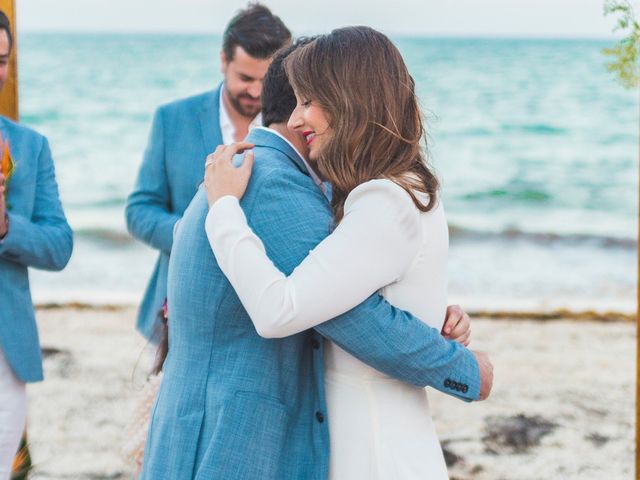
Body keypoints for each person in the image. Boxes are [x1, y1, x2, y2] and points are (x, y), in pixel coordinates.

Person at [140, 37, 492, 480]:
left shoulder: (261, 172)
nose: (300, 116)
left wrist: (422, 309)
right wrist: (465, 370)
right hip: (234, 439)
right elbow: (355, 319)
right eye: (301, 100)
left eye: (312, 101)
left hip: (215, 424)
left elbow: (346, 289)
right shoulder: (274, 185)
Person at [125, 3, 291, 341]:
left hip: (262, 319)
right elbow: (139, 211)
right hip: (178, 313)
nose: (257, 92)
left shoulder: (295, 126)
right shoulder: (172, 119)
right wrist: (194, 233)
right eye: (245, 78)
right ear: (223, 61)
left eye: (266, 80)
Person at [0, 11, 73, 479]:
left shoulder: (29, 146)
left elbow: (59, 245)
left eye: (1, 59)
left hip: (6, 354)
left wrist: (7, 228)